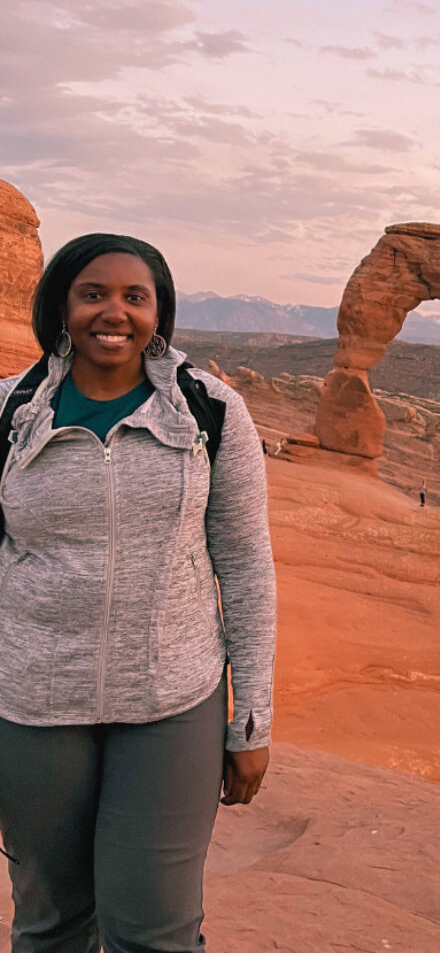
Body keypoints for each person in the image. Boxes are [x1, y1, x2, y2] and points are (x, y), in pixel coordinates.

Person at [0, 233, 277, 953]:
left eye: (134, 296)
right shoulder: (11, 412)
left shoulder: (209, 412)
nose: (113, 312)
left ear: (159, 312)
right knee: (50, 923)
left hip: (170, 700)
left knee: (154, 931)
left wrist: (252, 719)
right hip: (34, 700)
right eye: (93, 294)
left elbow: (245, 563)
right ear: (62, 306)